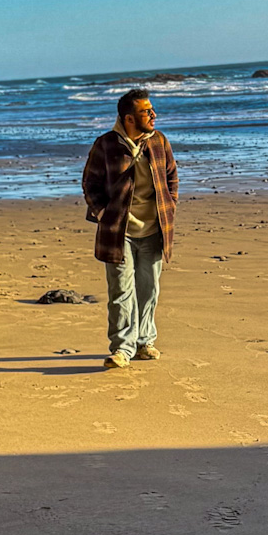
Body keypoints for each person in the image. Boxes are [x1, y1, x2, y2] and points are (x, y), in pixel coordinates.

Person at [81, 90, 178, 369]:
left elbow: (172, 176)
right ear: (129, 118)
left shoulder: (159, 142)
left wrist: (170, 205)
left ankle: (145, 342)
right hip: (118, 231)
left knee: (149, 289)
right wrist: (104, 215)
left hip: (154, 229)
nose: (153, 115)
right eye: (147, 111)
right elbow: (90, 184)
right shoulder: (106, 144)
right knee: (121, 291)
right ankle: (122, 349)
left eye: (152, 110)